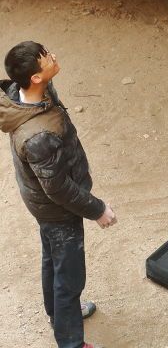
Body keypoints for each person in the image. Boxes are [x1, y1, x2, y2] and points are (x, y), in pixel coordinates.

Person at [0, 40, 116, 348]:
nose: (54, 57)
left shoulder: (28, 94)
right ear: (35, 78)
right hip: (57, 209)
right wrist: (97, 209)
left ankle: (57, 315)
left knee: (52, 258)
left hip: (41, 202)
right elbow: (59, 189)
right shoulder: (38, 135)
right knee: (69, 276)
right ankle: (71, 343)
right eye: (47, 58)